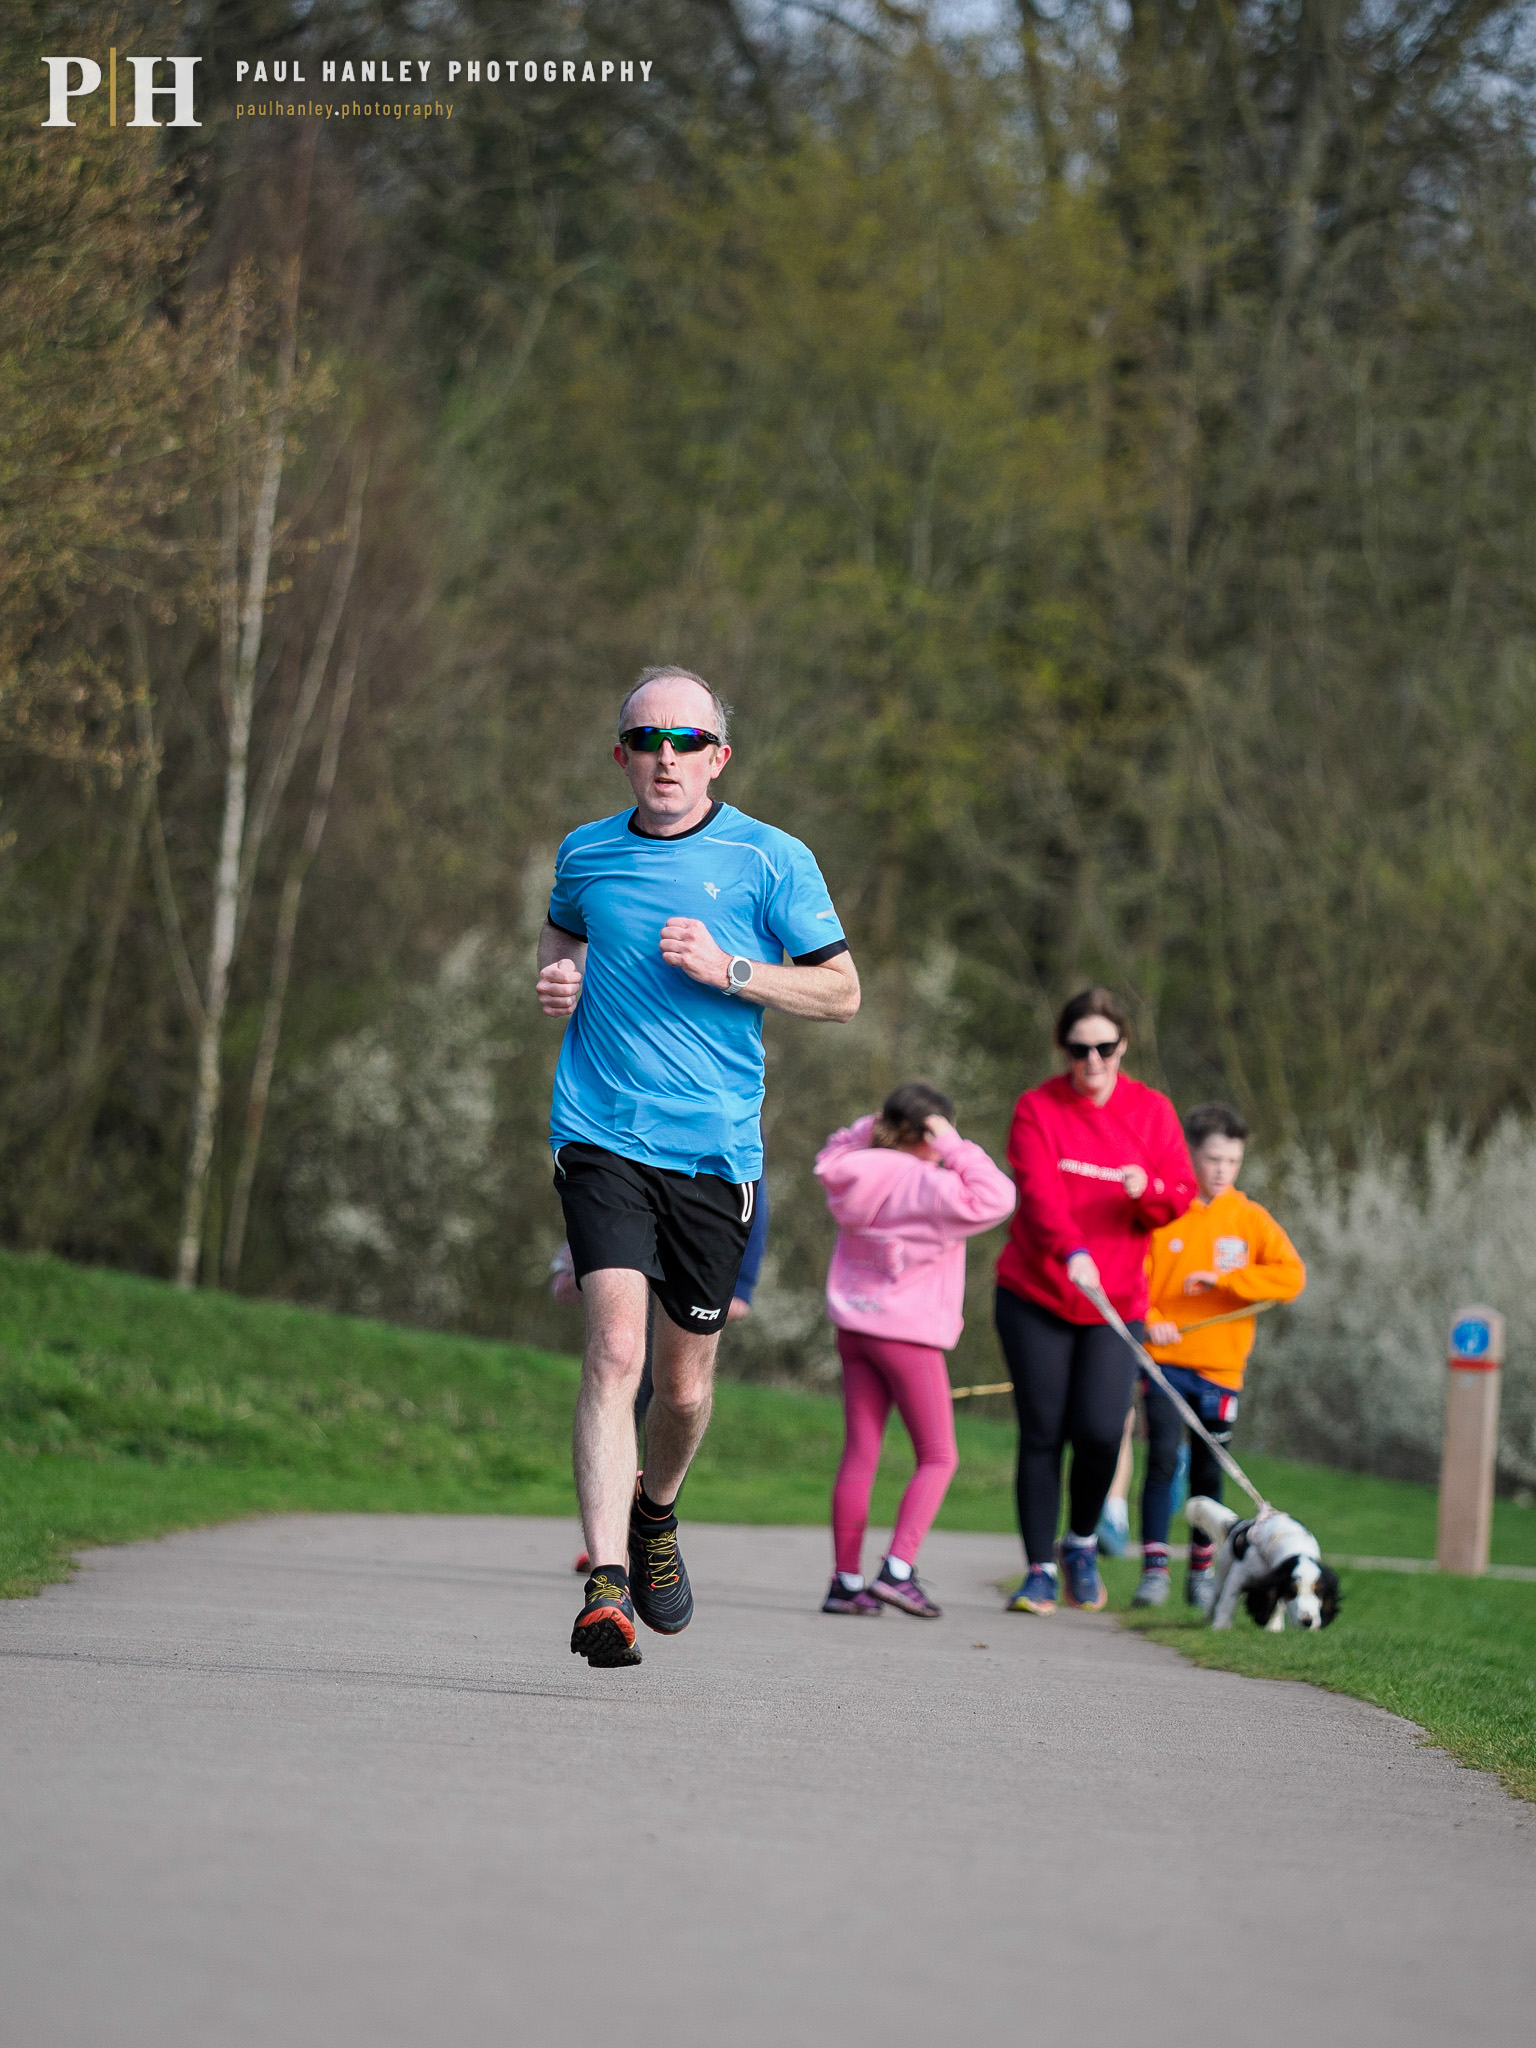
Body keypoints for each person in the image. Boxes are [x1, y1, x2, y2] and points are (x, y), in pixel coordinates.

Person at [537, 665, 859, 1668]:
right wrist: (556, 975)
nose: (664, 756)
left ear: (718, 755)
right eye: (646, 739)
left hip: (715, 1152)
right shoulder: (586, 851)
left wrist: (730, 968)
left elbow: (841, 991)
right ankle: (604, 1582)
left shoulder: (771, 858)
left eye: (686, 740)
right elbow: (564, 930)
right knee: (615, 1351)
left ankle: (656, 1514)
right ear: (621, 754)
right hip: (598, 1131)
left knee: (681, 1392)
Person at [995, 988, 1195, 1616]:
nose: (1093, 1061)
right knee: (1043, 1432)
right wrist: (1071, 1250)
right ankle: (1038, 1571)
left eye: (1105, 1048)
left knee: (1103, 1432)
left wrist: (1149, 1190)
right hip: (1037, 1292)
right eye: (1080, 1049)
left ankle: (1081, 1541)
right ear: (1065, 1049)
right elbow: (1041, 1192)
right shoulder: (1037, 1109)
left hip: (1115, 1305)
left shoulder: (1153, 1112)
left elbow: (1180, 1195)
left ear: (1122, 1046)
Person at [815, 1084, 1015, 1619]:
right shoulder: (932, 1184)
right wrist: (952, 1144)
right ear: (931, 1132)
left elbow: (831, 1151)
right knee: (939, 1455)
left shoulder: (852, 1168)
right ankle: (898, 1571)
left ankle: (846, 1581)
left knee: (861, 1452)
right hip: (910, 1335)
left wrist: (873, 1125)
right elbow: (999, 1195)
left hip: (855, 1327)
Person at [1131, 1102, 1306, 1610]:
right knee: (1163, 1458)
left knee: (1210, 1472)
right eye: (1212, 1159)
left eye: (1232, 1161)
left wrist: (1228, 1281)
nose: (1222, 1171)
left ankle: (1202, 1572)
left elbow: (1290, 1277)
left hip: (1222, 1369)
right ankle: (1154, 1568)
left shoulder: (1250, 1220)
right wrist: (1150, 1316)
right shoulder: (1167, 1213)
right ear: (1192, 1156)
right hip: (1165, 1362)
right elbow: (1133, 1274)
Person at [556, 1182, 771, 1573]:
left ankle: (650, 1522)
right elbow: (597, 1192)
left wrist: (744, 1281)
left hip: (694, 1234)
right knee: (621, 1376)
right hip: (634, 1249)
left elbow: (752, 1177)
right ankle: (611, 1548)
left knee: (678, 1396)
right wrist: (572, 1258)